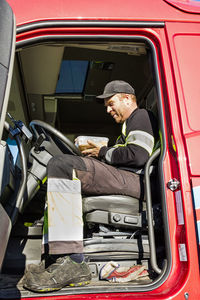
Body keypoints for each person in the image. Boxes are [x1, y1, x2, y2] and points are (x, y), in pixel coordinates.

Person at [23, 80, 157, 292]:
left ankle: (72, 260)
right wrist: (103, 152)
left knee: (62, 165)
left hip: (138, 181)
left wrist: (102, 152)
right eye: (106, 106)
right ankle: (55, 259)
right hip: (128, 177)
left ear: (127, 98)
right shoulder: (128, 125)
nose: (108, 109)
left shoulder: (140, 116)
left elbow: (138, 155)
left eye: (111, 103)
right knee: (63, 171)